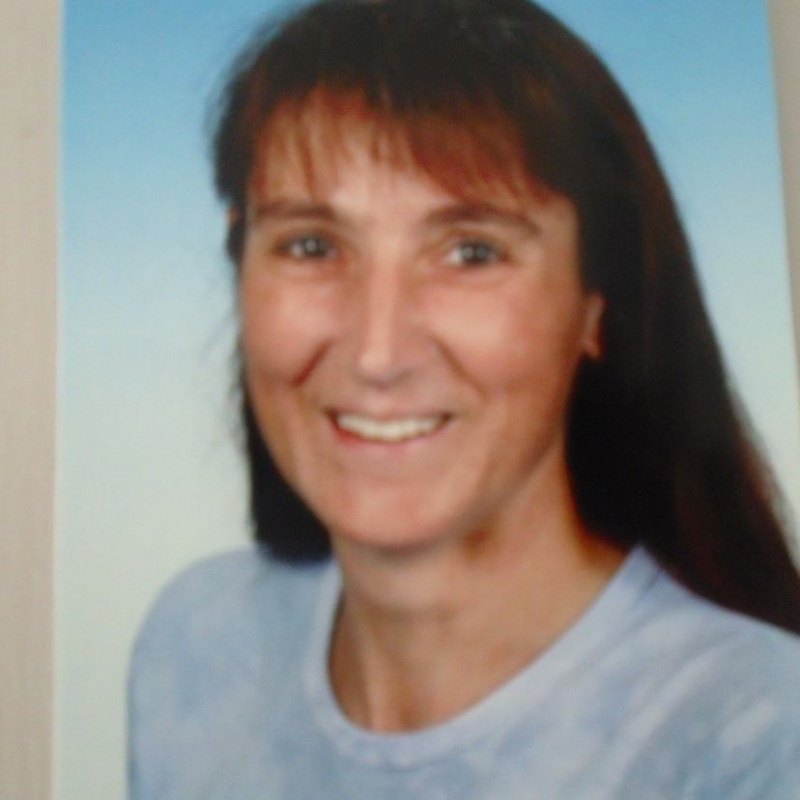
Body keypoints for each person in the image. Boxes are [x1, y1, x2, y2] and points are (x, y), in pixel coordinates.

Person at [128, 0, 800, 797]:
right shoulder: (198, 644)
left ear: (598, 301)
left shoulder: (750, 734)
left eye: (472, 252)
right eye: (311, 245)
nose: (377, 353)